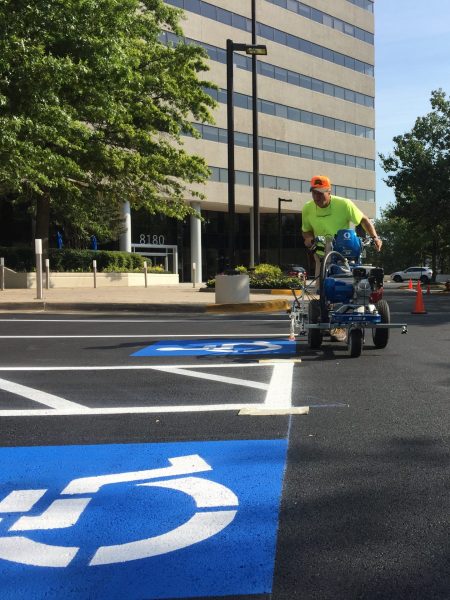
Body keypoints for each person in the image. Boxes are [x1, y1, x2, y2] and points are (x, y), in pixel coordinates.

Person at [302, 175, 382, 279]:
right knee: (321, 288)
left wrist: (375, 237)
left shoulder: (344, 204)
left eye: (320, 193)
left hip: (344, 255)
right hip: (322, 254)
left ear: (329, 192)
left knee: (351, 283)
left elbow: (364, 220)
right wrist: (308, 238)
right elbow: (306, 230)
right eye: (314, 193)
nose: (316, 197)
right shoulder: (307, 208)